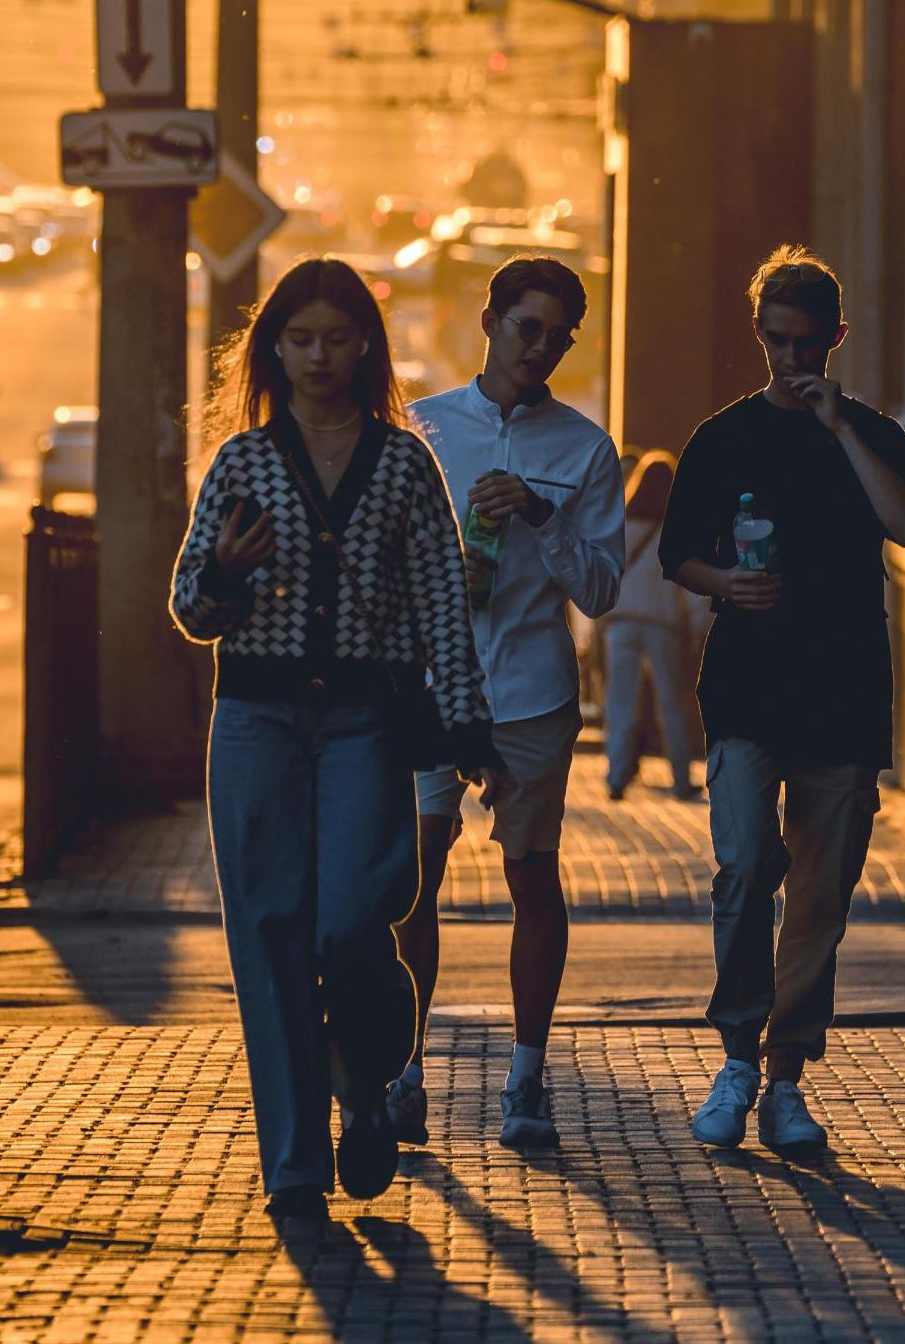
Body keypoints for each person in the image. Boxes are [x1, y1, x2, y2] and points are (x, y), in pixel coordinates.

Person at [169, 256, 501, 1222]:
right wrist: (226, 574)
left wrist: (467, 721)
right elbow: (191, 607)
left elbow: (445, 596)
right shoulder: (242, 461)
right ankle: (295, 1167)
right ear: (275, 347)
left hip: (364, 717)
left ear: (367, 345)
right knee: (268, 933)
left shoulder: (402, 461)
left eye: (337, 337)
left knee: (355, 916)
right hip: (257, 719)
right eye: (300, 338)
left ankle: (362, 1079)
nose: (319, 356)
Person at [660, 245, 905, 1156]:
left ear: (835, 338)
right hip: (745, 690)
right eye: (775, 342)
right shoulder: (723, 436)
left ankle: (785, 1078)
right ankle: (735, 1055)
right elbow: (676, 556)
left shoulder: (874, 433)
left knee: (819, 897)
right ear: (758, 333)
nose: (790, 361)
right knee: (742, 869)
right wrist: (728, 584)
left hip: (845, 693)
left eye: (806, 345)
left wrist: (840, 427)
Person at [391, 255, 626, 1150]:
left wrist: (542, 516)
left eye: (560, 337)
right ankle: (402, 1070)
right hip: (427, 683)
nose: (543, 349)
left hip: (529, 688)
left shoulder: (583, 447)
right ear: (489, 320)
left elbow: (601, 591)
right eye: (528, 327)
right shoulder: (422, 429)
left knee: (532, 875)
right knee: (409, 881)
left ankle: (527, 1082)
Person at [601, 450, 702, 801]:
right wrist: (698, 627)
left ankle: (616, 775)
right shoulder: (675, 528)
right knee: (671, 704)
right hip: (664, 626)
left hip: (622, 624)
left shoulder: (621, 525)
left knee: (620, 701)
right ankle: (680, 779)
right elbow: (691, 587)